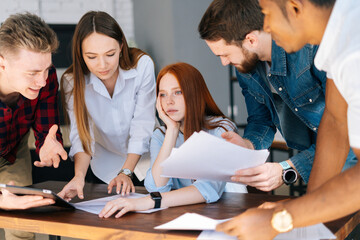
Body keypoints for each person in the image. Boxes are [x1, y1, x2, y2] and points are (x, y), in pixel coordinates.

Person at [215, 0, 360, 239]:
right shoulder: (335, 41)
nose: (267, 27)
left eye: (267, 15)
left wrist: (281, 218)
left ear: (294, 7)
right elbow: (335, 122)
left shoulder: (354, 50)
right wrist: (306, 216)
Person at [99, 62, 246, 218]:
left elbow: (208, 189)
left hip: (228, 214)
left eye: (177, 92)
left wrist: (147, 202)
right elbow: (157, 186)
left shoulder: (221, 129)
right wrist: (172, 131)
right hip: (183, 214)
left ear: (194, 93)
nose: (168, 101)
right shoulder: (161, 135)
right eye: (162, 94)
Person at [59, 11, 156, 201]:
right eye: (92, 57)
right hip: (106, 166)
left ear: (121, 46)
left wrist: (126, 171)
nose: (102, 65)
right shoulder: (72, 81)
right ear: (80, 54)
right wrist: (78, 177)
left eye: (110, 54)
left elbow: (143, 125)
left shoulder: (142, 65)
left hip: (149, 159)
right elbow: (81, 134)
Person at [0, 12, 67, 240]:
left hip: (12, 151)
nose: (42, 80)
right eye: (32, 73)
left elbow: (46, 127)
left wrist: (47, 142)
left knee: (23, 224)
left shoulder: (46, 78)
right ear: (2, 64)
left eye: (47, 69)